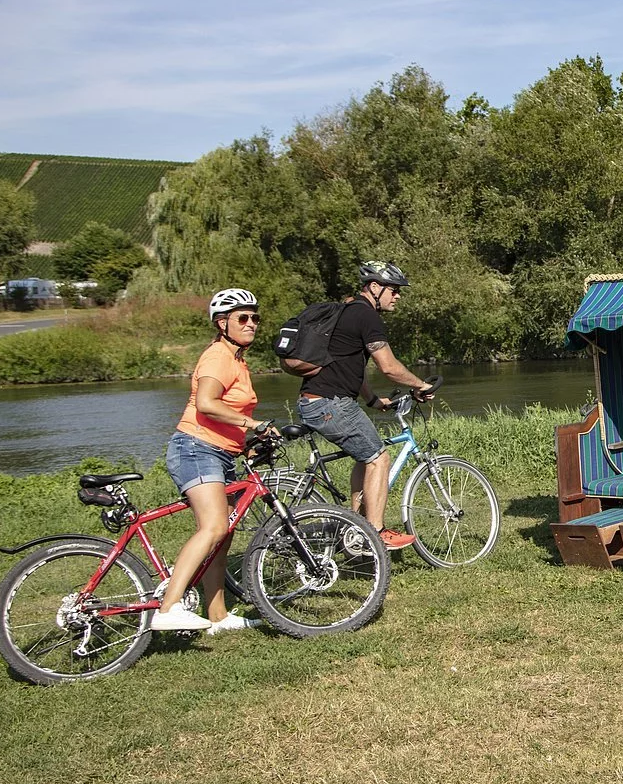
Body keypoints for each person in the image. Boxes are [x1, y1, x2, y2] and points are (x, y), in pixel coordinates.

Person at [154, 288, 274, 633]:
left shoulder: (237, 360)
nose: (251, 324)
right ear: (222, 323)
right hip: (195, 448)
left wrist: (248, 440)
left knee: (223, 536)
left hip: (219, 451)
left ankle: (217, 615)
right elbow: (206, 403)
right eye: (243, 318)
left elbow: (227, 412)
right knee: (214, 527)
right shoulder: (218, 356)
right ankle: (168, 608)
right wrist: (253, 423)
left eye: (255, 318)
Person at [296, 261, 433, 551]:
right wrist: (420, 385)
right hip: (330, 404)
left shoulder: (349, 311)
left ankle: (357, 527)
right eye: (393, 290)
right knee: (378, 457)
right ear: (374, 287)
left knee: (364, 455)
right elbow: (390, 367)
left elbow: (350, 364)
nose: (397, 296)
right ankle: (375, 532)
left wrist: (372, 400)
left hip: (318, 401)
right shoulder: (366, 316)